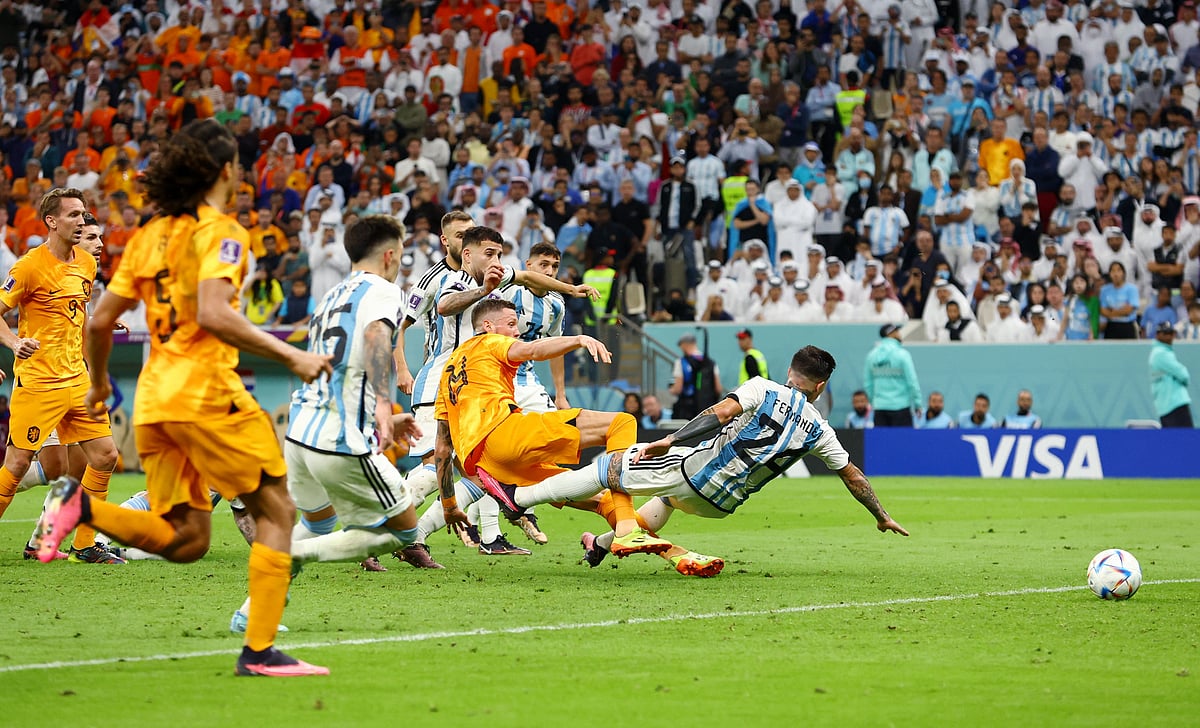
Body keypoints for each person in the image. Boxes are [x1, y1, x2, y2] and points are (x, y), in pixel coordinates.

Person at [44, 119, 334, 677]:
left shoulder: (151, 234)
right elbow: (214, 313)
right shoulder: (222, 232)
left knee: (188, 538)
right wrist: (292, 356)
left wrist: (100, 383)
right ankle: (259, 652)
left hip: (155, 400)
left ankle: (79, 508)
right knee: (278, 510)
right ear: (226, 170)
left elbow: (100, 322)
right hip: (207, 392)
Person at [477, 345, 909, 576]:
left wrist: (670, 439)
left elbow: (719, 414)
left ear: (790, 373)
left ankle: (519, 498)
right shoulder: (820, 429)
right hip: (722, 505)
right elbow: (853, 476)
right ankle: (601, 545)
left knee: (607, 468)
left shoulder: (763, 387)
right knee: (664, 501)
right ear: (820, 387)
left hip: (692, 471)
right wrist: (881, 515)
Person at [232, 216, 425, 625]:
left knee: (318, 522)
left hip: (301, 434)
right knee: (403, 532)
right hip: (340, 437)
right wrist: (383, 405)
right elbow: (376, 337)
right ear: (390, 255)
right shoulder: (385, 290)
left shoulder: (331, 295)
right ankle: (289, 556)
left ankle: (252, 611)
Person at [432, 293, 671, 556]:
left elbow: (442, 448)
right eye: (511, 324)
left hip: (490, 466)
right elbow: (533, 350)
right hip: (506, 435)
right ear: (488, 326)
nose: (516, 332)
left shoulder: (447, 374)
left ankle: (666, 552)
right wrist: (579, 339)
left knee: (595, 499)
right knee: (621, 423)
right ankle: (627, 528)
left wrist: (449, 505)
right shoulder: (490, 342)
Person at [0, 189, 124, 564]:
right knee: (18, 464)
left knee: (105, 456)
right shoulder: (28, 267)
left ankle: (84, 544)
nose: (81, 221)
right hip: (39, 382)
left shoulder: (85, 263)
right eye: (73, 215)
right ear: (51, 222)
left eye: (83, 214)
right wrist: (14, 342)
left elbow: (76, 313)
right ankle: (45, 538)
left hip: (77, 380)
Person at [864, 324, 922, 427]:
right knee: (902, 438)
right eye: (897, 331)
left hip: (880, 408)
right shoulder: (903, 354)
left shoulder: (871, 356)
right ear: (891, 334)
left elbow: (868, 384)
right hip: (901, 407)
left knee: (882, 438)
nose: (899, 334)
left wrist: (875, 402)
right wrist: (918, 404)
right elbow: (912, 382)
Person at [1149, 322, 1194, 428]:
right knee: (1186, 436)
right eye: (1165, 333)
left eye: (1171, 333)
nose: (1169, 337)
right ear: (1158, 335)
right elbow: (1183, 374)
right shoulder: (1160, 353)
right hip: (1173, 403)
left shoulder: (1162, 352)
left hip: (1168, 404)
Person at [670, 333, 723, 420]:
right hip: (707, 409)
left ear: (684, 345)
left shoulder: (681, 362)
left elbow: (678, 389)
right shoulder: (711, 363)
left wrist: (672, 390)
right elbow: (718, 389)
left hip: (687, 410)